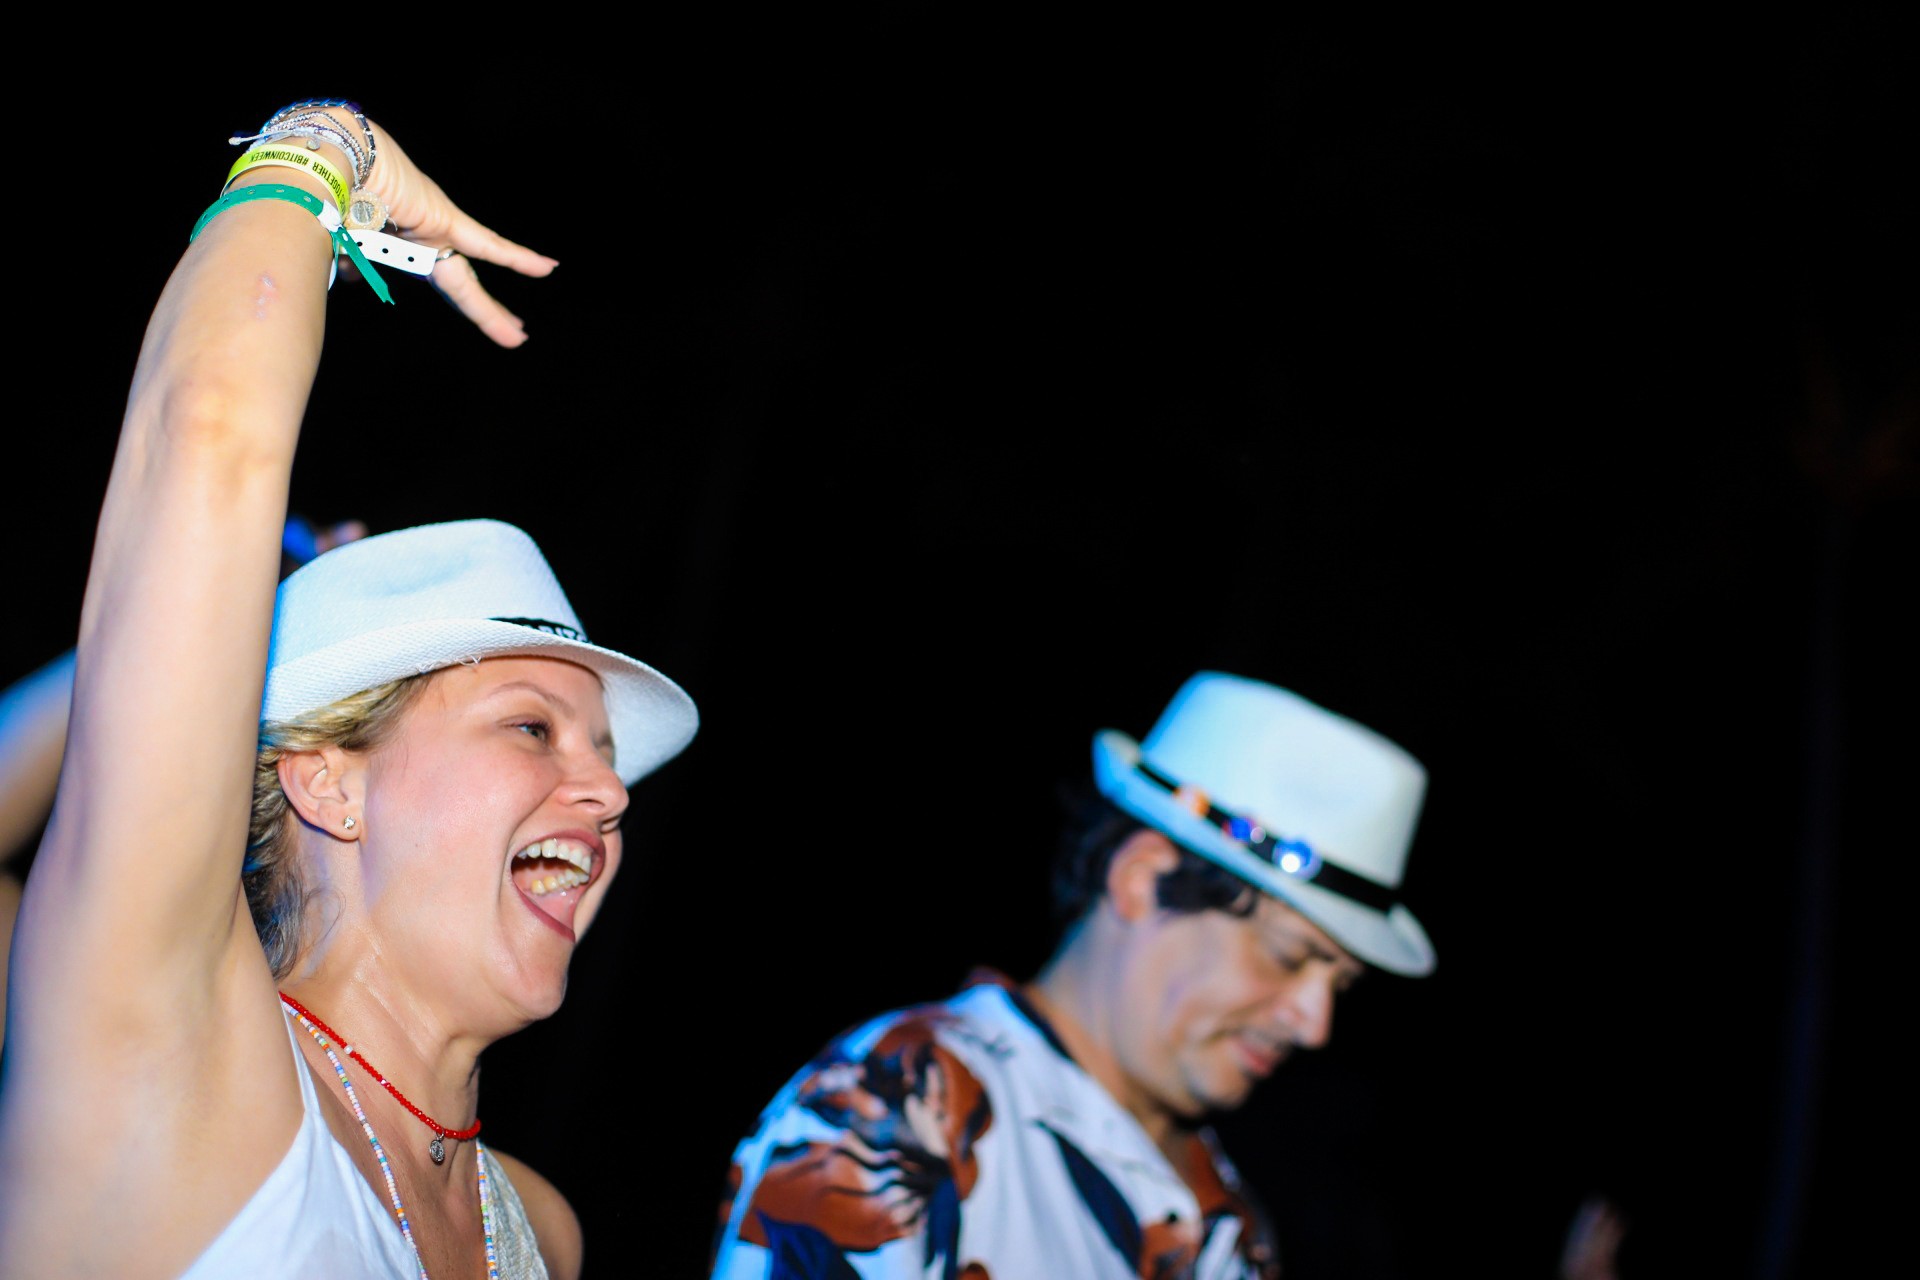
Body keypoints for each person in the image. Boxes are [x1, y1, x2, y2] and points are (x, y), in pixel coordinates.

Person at [0, 100, 696, 1279]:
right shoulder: (169, 1047)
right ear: (327, 780)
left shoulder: (541, 1230)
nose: (611, 792)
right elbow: (208, 433)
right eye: (533, 726)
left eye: (606, 752)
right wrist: (318, 152)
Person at [710, 672, 1434, 1279]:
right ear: (1143, 878)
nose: (1315, 1023)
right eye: (1288, 957)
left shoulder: (1235, 1228)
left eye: (1340, 985)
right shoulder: (903, 1103)